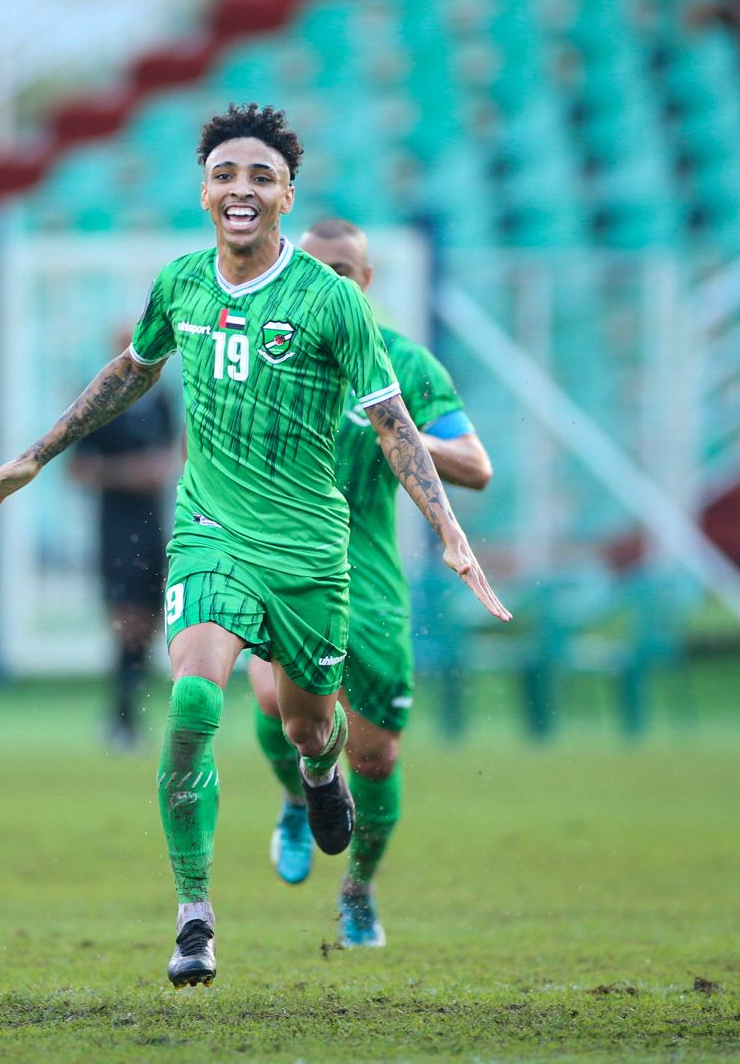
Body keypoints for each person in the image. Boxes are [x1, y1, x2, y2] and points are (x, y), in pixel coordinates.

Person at [0, 103, 510, 988]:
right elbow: (128, 374)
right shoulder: (179, 284)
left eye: (258, 176)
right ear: (204, 189)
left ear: (286, 193)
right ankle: (194, 916)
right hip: (210, 533)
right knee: (193, 706)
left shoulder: (333, 307)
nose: (239, 189)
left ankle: (317, 781)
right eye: (224, 174)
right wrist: (32, 456)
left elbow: (397, 423)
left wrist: (450, 536)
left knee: (314, 728)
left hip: (312, 554)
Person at [248, 218, 493, 949]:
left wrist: (395, 430)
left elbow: (476, 466)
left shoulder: (405, 365)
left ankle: (358, 888)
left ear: (366, 281)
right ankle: (299, 795)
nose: (330, 282)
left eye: (344, 270)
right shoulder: (268, 353)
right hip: (282, 560)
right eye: (315, 269)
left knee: (374, 754)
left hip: (371, 580)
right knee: (272, 694)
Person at [68, 324, 180, 748]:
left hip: (155, 525)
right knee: (125, 621)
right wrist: (126, 473)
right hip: (115, 526)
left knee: (149, 623)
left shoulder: (162, 398)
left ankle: (126, 714)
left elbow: (172, 453)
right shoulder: (97, 396)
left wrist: (159, 469)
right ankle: (121, 715)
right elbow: (77, 468)